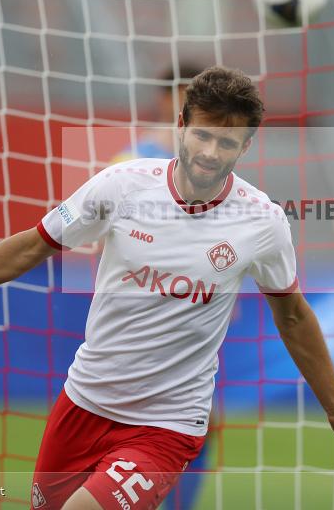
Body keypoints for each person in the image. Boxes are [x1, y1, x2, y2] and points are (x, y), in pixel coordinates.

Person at [0, 66, 334, 510]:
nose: (210, 151)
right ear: (181, 124)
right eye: (202, 134)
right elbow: (30, 246)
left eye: (227, 142)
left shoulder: (262, 222)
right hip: (83, 400)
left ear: (246, 145)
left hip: (166, 424)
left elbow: (293, 315)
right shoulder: (122, 185)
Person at [109, 62, 208, 510]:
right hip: (138, 318)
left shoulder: (214, 168)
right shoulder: (130, 163)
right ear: (167, 102)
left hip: (193, 318)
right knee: (134, 423)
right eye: (188, 99)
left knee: (199, 421)